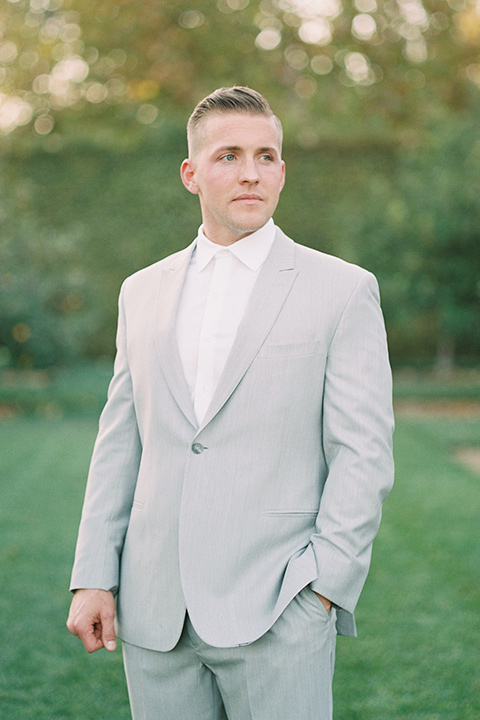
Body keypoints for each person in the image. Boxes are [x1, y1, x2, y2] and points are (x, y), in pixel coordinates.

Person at [67, 86, 394, 720]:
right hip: (155, 614)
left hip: (279, 608)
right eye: (229, 156)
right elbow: (120, 443)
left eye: (267, 156)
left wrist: (322, 589)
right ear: (191, 174)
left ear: (281, 169)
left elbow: (364, 453)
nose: (251, 172)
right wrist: (93, 576)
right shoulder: (141, 291)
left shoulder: (343, 290)